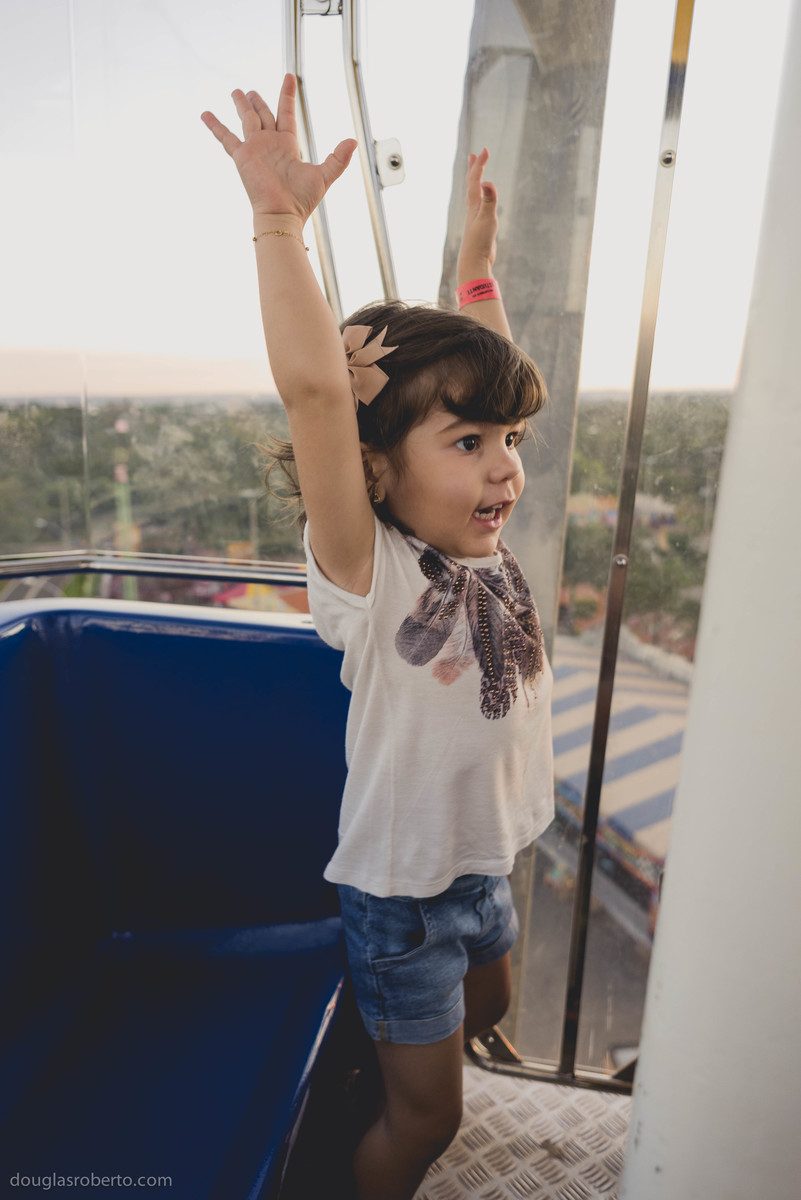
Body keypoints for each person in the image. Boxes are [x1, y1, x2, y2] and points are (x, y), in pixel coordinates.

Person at [201, 74, 554, 1200]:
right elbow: (315, 394)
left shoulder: (479, 534)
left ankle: (399, 1040)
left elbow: (486, 382)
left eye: (506, 439)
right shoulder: (371, 567)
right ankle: (368, 1148)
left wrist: (476, 269)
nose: (503, 466)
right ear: (374, 468)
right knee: (432, 1121)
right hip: (405, 892)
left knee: (491, 1004)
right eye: (468, 443)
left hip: (483, 859)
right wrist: (276, 221)